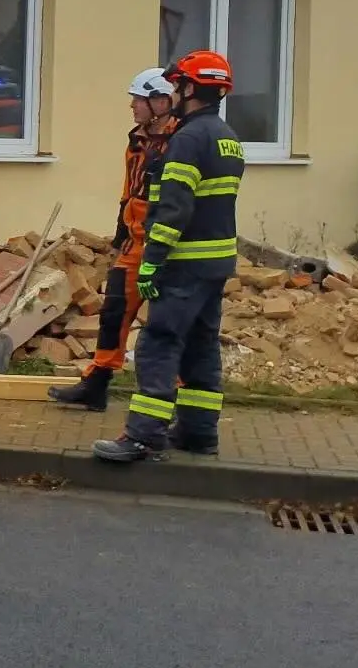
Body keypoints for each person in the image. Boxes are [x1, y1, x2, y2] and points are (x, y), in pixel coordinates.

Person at [94, 50, 245, 462]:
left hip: (183, 263)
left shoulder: (188, 139)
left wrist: (152, 262)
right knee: (201, 345)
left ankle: (143, 436)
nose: (174, 92)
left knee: (158, 344)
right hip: (216, 263)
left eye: (178, 85)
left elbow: (173, 209)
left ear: (191, 89)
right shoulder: (228, 138)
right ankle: (198, 432)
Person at [49, 67, 177, 411]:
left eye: (139, 99)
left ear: (162, 101)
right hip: (137, 239)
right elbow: (129, 189)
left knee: (170, 321)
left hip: (168, 243)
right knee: (114, 310)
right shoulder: (137, 140)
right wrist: (120, 230)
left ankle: (179, 396)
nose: (133, 105)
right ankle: (96, 383)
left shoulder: (182, 140)